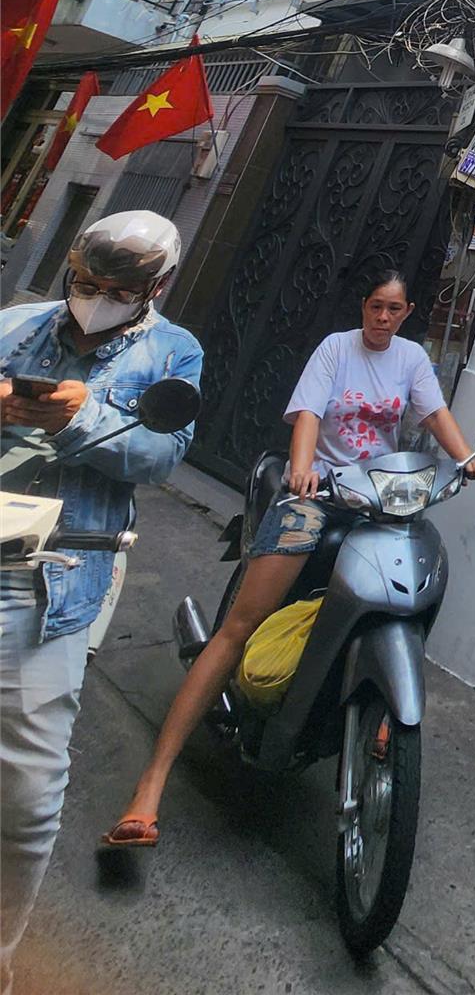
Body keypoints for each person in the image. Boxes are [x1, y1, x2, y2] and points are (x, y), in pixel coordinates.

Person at [106, 266, 475, 847]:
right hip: (318, 495)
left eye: (394, 309)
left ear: (408, 313)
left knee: (414, 578)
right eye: (376, 307)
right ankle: (150, 785)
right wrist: (303, 469)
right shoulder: (336, 349)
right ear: (362, 307)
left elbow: (435, 414)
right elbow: (309, 413)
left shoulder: (412, 359)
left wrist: (465, 457)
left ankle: (373, 706)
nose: (384, 318)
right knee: (239, 627)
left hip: (379, 501)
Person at [0, 210, 201, 992]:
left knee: (26, 791)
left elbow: (159, 454)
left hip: (54, 575)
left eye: (117, 292)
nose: (96, 301)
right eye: (87, 284)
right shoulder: (15, 326)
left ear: (156, 289)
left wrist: (80, 416)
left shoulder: (171, 353)